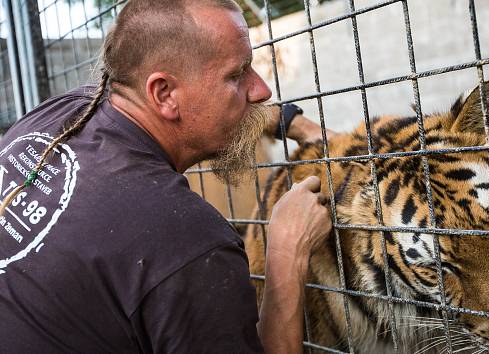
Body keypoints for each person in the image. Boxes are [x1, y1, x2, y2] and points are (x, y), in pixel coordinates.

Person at [0, 0, 332, 353]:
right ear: (163, 93)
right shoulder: (187, 243)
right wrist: (284, 252)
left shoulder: (61, 112)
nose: (262, 90)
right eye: (237, 74)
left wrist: (290, 122)